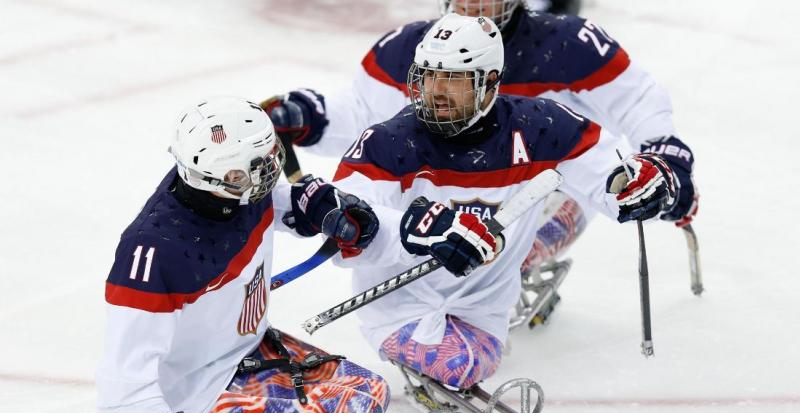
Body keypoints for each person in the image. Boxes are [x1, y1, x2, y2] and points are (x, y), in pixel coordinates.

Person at [263, 0, 698, 322]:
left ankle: (486, 302)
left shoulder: (568, 45)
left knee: (499, 238)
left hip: (540, 197)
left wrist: (662, 160)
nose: (474, 5)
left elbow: (637, 100)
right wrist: (312, 117)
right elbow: (363, 112)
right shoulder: (412, 48)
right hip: (442, 194)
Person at [327, 14, 692, 390]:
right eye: (427, 76)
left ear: (489, 84)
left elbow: (610, 175)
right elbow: (345, 226)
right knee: (460, 366)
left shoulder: (541, 127)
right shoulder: (386, 142)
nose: (436, 91)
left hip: (482, 310)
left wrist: (642, 181)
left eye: (453, 79)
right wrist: (411, 231)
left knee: (473, 360)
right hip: (399, 305)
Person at [96, 97, 388, 413]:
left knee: (371, 395)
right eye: (257, 166)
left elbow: (267, 201)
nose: (269, 170)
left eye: (268, 158)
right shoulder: (153, 254)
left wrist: (312, 205)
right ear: (223, 176)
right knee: (353, 408)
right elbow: (122, 389)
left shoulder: (229, 190)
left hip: (247, 349)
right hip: (197, 394)